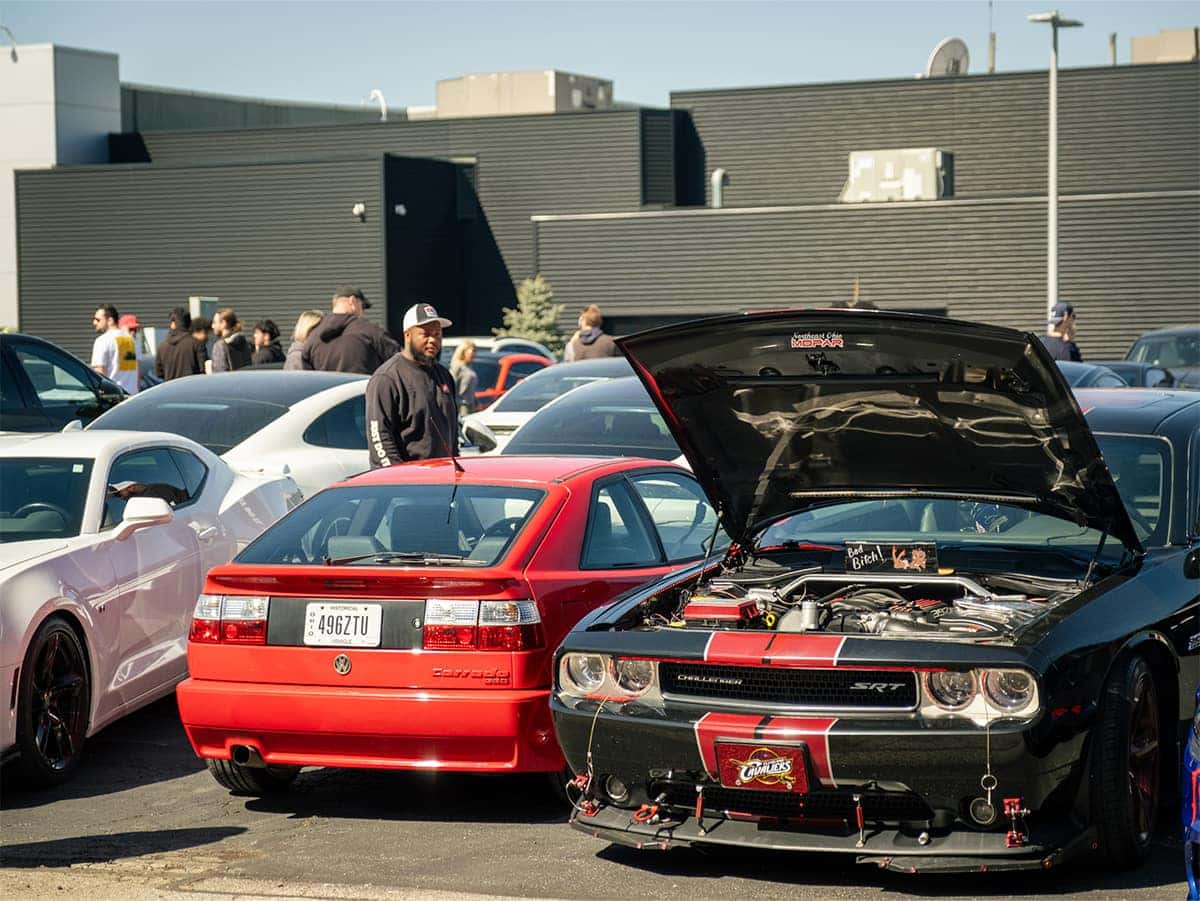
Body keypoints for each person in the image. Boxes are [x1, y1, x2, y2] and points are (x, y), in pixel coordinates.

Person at [365, 302, 458, 468]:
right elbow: (380, 437)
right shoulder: (387, 378)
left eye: (437, 334)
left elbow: (452, 432)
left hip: (443, 476)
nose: (433, 340)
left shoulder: (444, 376)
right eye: (425, 334)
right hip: (407, 479)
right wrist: (398, 477)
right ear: (407, 335)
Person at [301, 285, 399, 374]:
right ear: (352, 301)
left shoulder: (312, 338)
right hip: (362, 388)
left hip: (328, 389)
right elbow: (399, 362)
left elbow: (308, 377)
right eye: (362, 307)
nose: (363, 313)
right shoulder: (371, 331)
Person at [90, 305, 139, 394]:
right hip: (132, 394)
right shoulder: (132, 340)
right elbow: (138, 372)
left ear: (110, 320)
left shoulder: (102, 340)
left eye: (98, 320)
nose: (94, 322)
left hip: (114, 396)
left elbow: (99, 373)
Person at [156, 307, 205, 380]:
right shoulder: (196, 344)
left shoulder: (161, 347)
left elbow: (159, 373)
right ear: (189, 323)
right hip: (192, 385)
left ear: (173, 324)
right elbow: (203, 370)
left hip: (170, 386)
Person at [210, 308, 253, 373]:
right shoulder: (245, 343)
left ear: (223, 323)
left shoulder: (220, 346)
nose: (212, 326)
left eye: (214, 322)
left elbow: (219, 373)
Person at [449, 339, 479, 418]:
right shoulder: (457, 366)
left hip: (470, 404)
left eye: (475, 352)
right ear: (463, 352)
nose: (473, 355)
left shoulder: (469, 367)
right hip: (461, 405)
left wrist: (476, 402)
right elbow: (451, 385)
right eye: (471, 352)